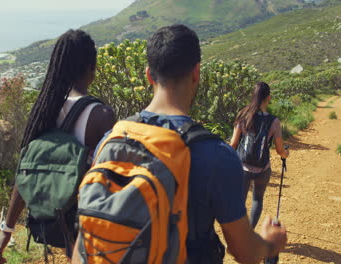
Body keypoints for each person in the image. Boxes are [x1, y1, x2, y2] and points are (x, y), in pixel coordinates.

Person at [73, 24, 287, 264]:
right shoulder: (218, 155)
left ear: (148, 75)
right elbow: (243, 252)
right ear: (196, 73)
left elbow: (85, 233)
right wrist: (270, 243)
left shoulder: (111, 139)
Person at [0, 29, 116, 264]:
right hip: (88, 226)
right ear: (92, 67)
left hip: (54, 222)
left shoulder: (44, 109)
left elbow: (25, 172)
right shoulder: (101, 115)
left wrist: (6, 230)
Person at [229, 82, 290, 229]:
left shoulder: (243, 115)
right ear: (268, 98)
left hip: (242, 167)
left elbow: (233, 143)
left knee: (239, 202)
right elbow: (279, 150)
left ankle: (237, 235)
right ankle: (249, 233)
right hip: (263, 168)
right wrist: (286, 154)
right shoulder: (274, 121)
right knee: (257, 199)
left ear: (253, 96)